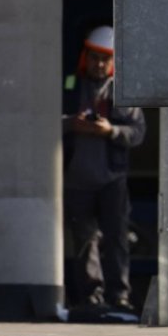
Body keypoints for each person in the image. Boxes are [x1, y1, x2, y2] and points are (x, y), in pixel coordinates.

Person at [62, 25, 145, 313]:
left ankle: (119, 295)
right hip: (76, 179)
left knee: (116, 238)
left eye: (105, 59)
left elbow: (137, 132)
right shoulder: (70, 84)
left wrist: (109, 130)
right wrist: (71, 123)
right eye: (94, 57)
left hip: (113, 180)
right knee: (84, 241)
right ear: (86, 56)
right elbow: (44, 117)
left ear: (114, 62)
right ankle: (90, 297)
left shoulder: (122, 91)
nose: (99, 64)